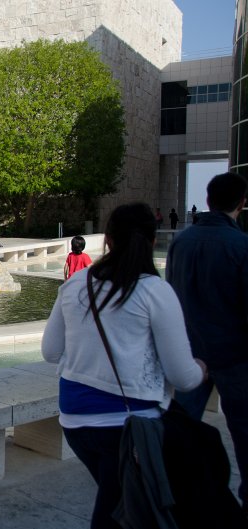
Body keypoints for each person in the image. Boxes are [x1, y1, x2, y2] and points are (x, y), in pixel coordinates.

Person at [41, 203, 205, 529]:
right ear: (151, 240)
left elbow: (50, 351)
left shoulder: (76, 284)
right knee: (125, 509)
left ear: (108, 240)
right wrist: (203, 367)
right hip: (129, 426)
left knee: (119, 500)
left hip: (74, 420)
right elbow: (183, 377)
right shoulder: (155, 291)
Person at [166, 172, 248, 513]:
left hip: (190, 353)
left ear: (209, 200)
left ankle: (170, 493)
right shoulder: (241, 246)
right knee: (244, 433)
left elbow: (170, 295)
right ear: (241, 204)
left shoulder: (180, 243)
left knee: (178, 429)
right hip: (234, 357)